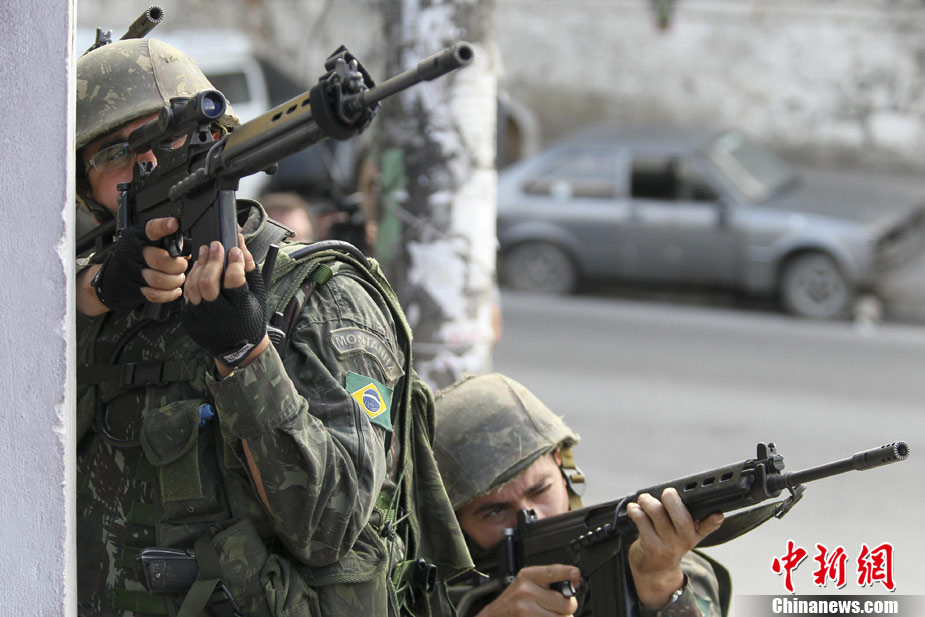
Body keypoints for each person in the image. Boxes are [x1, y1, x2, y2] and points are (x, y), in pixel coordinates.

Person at [74, 37, 470, 617]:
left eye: (170, 136)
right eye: (115, 151)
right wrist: (90, 291)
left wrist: (245, 354)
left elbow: (331, 527)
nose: (147, 162)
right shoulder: (90, 297)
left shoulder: (323, 297)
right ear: (86, 191)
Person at [433, 373, 730, 617]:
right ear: (455, 523)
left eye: (540, 490)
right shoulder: (429, 592)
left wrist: (660, 584)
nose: (530, 516)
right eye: (494, 512)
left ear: (560, 465)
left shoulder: (657, 559)